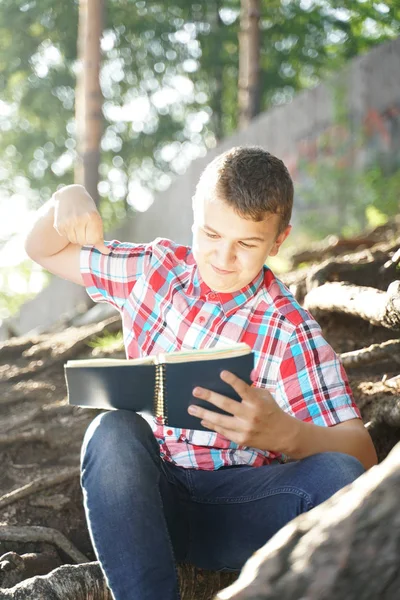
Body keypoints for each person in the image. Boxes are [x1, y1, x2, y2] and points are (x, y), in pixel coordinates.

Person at [24, 146, 377, 600]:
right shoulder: (152, 270)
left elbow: (362, 458)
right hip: (150, 501)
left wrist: (285, 434)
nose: (223, 258)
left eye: (246, 244)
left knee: (336, 475)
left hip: (241, 510)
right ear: (194, 216)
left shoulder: (288, 329)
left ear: (278, 241)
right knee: (110, 431)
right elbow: (40, 249)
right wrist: (65, 199)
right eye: (210, 234)